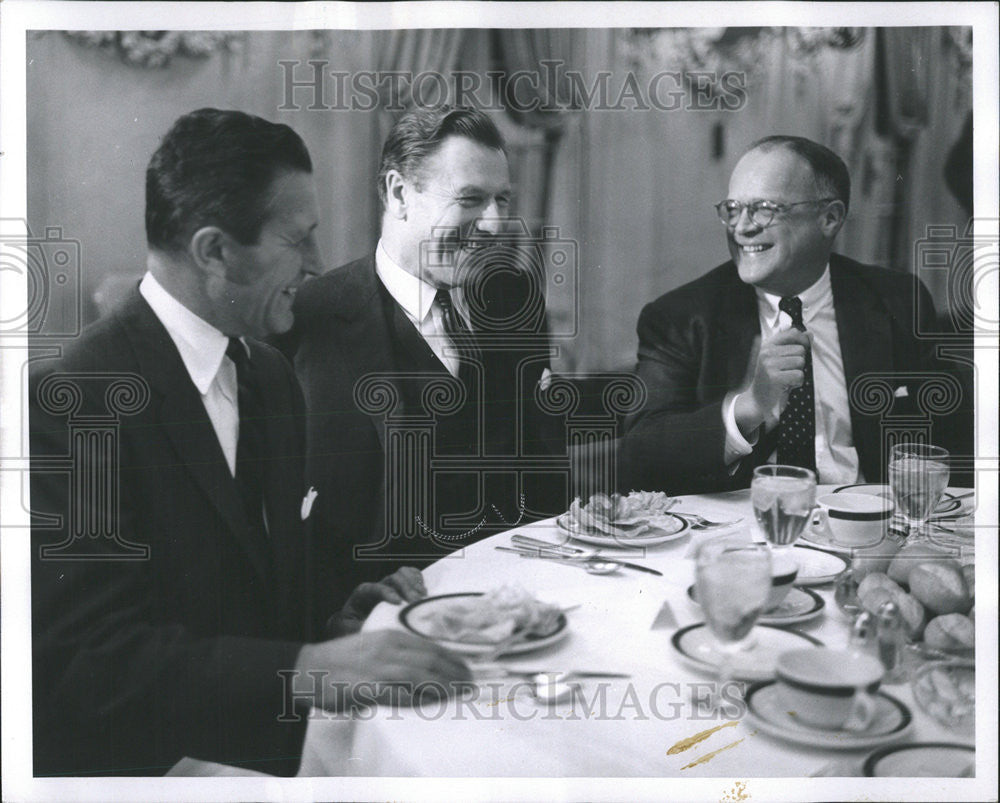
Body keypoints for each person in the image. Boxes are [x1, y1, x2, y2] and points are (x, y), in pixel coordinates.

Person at [29, 108, 469, 778]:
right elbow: (93, 660)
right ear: (214, 250)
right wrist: (307, 666)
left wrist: (332, 620)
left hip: (264, 747)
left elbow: (250, 581)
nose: (319, 265)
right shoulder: (74, 399)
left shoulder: (269, 374)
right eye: (298, 241)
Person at [284, 106, 564, 605]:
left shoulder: (514, 297)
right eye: (471, 200)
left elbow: (542, 469)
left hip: (518, 600)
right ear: (398, 194)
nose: (497, 225)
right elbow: (285, 513)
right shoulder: (308, 319)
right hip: (387, 614)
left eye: (502, 199)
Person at [621, 135, 966, 494]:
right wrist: (749, 407)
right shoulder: (681, 317)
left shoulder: (897, 301)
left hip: (867, 525)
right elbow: (639, 453)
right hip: (743, 534)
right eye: (733, 209)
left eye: (765, 208)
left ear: (829, 218)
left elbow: (952, 437)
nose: (742, 227)